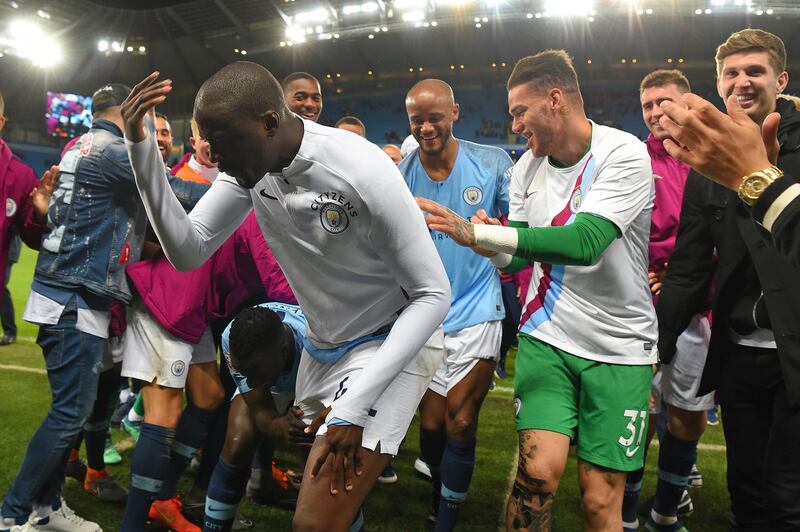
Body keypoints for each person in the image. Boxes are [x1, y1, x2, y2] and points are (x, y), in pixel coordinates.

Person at [121, 63, 450, 532]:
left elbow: (434, 294)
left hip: (391, 339)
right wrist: (140, 152)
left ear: (269, 123)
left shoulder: (360, 168)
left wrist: (355, 405)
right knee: (336, 504)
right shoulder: (248, 168)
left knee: (314, 520)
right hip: (323, 344)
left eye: (222, 139)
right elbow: (187, 251)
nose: (213, 154)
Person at [417, 50, 656, 531]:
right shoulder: (526, 167)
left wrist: (481, 235)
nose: (515, 126)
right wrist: (492, 245)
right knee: (536, 476)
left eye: (519, 112)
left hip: (621, 346)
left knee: (598, 501)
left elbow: (585, 243)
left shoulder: (624, 153)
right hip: (548, 335)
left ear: (554, 100)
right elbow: (522, 256)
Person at [1, 83, 207, 532]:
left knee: (72, 410)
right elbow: (171, 193)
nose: (152, 130)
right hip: (75, 295)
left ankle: (46, 507)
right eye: (150, 121)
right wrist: (239, 187)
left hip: (74, 291)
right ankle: (12, 513)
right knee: (70, 413)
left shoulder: (82, 142)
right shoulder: (116, 151)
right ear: (133, 116)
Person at [656, 29, 800, 530]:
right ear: (717, 83)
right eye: (731, 73)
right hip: (738, 355)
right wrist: (660, 342)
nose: (742, 82)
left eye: (755, 71)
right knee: (747, 492)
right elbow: (690, 267)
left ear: (780, 80)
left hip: (795, 357)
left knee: (787, 501)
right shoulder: (706, 164)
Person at [399, 78, 512, 529]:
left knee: (461, 423)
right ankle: (438, 491)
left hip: (479, 307)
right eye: (417, 120)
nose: (427, 128)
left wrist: (491, 231)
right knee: (431, 427)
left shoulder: (492, 163)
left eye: (435, 118)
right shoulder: (398, 175)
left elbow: (519, 226)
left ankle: (446, 518)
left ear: (455, 113)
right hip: (424, 313)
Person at [619, 69, 715, 532]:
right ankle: (626, 512)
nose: (656, 112)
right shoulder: (632, 159)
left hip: (699, 309)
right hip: (641, 308)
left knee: (688, 418)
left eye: (664, 102)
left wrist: (686, 277)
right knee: (638, 413)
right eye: (647, 105)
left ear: (688, 102)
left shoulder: (713, 157)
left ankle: (666, 509)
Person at [203, 303, 312, 532]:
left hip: (319, 373)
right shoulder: (233, 340)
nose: (250, 382)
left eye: (254, 372)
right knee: (238, 440)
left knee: (320, 463)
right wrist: (278, 424)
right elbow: (261, 408)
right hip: (280, 370)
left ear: (282, 352)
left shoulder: (318, 344)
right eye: (245, 373)